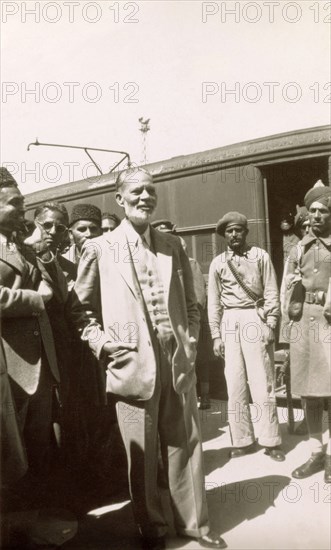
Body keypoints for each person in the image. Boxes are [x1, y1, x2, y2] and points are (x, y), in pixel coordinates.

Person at [71, 167, 226, 549]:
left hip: (176, 361)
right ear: (120, 199)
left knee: (186, 445)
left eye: (151, 191)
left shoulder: (172, 246)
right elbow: (79, 310)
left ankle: (194, 526)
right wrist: (102, 344)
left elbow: (192, 303)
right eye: (137, 191)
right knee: (141, 458)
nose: (145, 197)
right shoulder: (99, 248)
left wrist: (188, 339)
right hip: (131, 363)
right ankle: (153, 529)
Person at [0, 168, 67, 485]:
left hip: (40, 365)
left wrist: (40, 251)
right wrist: (33, 298)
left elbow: (55, 290)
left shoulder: (20, 244)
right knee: (11, 457)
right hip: (10, 367)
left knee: (39, 449)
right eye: (15, 203)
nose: (23, 209)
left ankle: (38, 519)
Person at [208, 211, 285, 461]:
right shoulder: (218, 263)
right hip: (230, 321)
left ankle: (271, 439)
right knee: (235, 384)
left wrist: (271, 323)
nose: (234, 235)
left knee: (263, 383)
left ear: (246, 232)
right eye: (229, 231)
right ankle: (242, 440)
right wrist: (216, 335)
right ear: (224, 235)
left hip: (255, 317)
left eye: (238, 230)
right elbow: (214, 302)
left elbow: (272, 290)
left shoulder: (260, 256)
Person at [281, 182, 331, 482]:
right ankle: (316, 451)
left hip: (329, 323)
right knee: (309, 394)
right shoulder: (298, 248)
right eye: (311, 211)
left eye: (323, 211)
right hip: (303, 323)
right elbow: (288, 280)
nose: (316, 216)